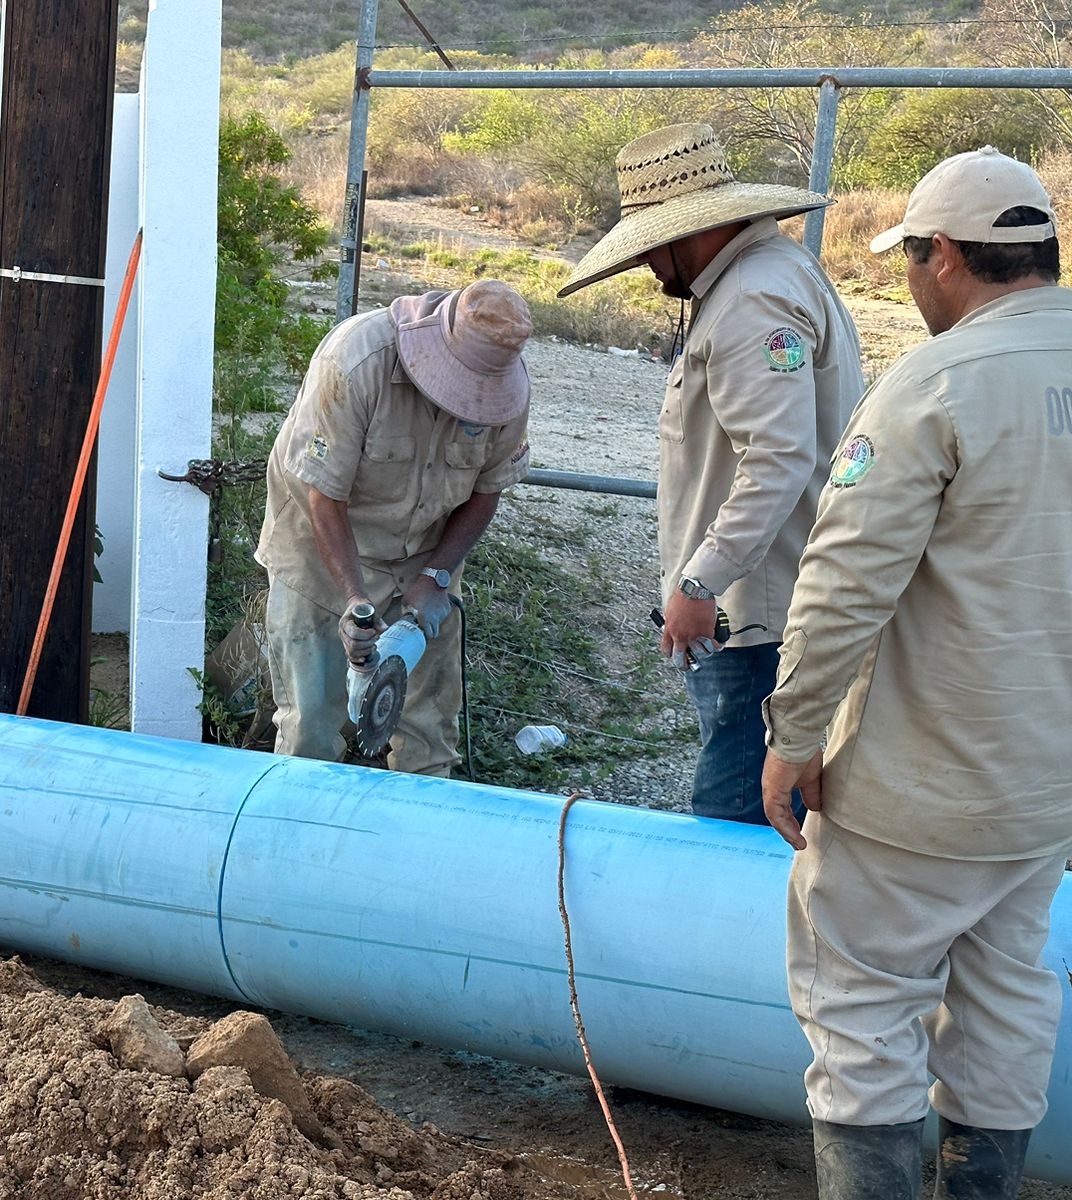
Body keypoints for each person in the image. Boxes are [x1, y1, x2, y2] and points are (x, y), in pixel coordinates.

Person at [759, 147, 1072, 1199]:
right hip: (1044, 794)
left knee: (859, 1012)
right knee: (1007, 1000)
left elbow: (842, 586)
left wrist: (793, 736)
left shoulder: (933, 385)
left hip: (916, 793)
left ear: (942, 257)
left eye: (908, 261)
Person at [558, 122, 863, 824]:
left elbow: (778, 456)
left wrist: (701, 581)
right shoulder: (768, 277)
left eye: (648, 250)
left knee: (737, 819)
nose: (648, 268)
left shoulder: (751, 301)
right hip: (766, 605)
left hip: (759, 619)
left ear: (684, 234)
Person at [254, 280, 533, 775]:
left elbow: (488, 488)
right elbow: (325, 495)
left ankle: (414, 841)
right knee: (311, 730)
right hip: (322, 554)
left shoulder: (508, 385)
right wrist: (354, 602)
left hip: (424, 561)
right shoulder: (356, 361)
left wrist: (437, 577)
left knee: (430, 733)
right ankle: (302, 840)